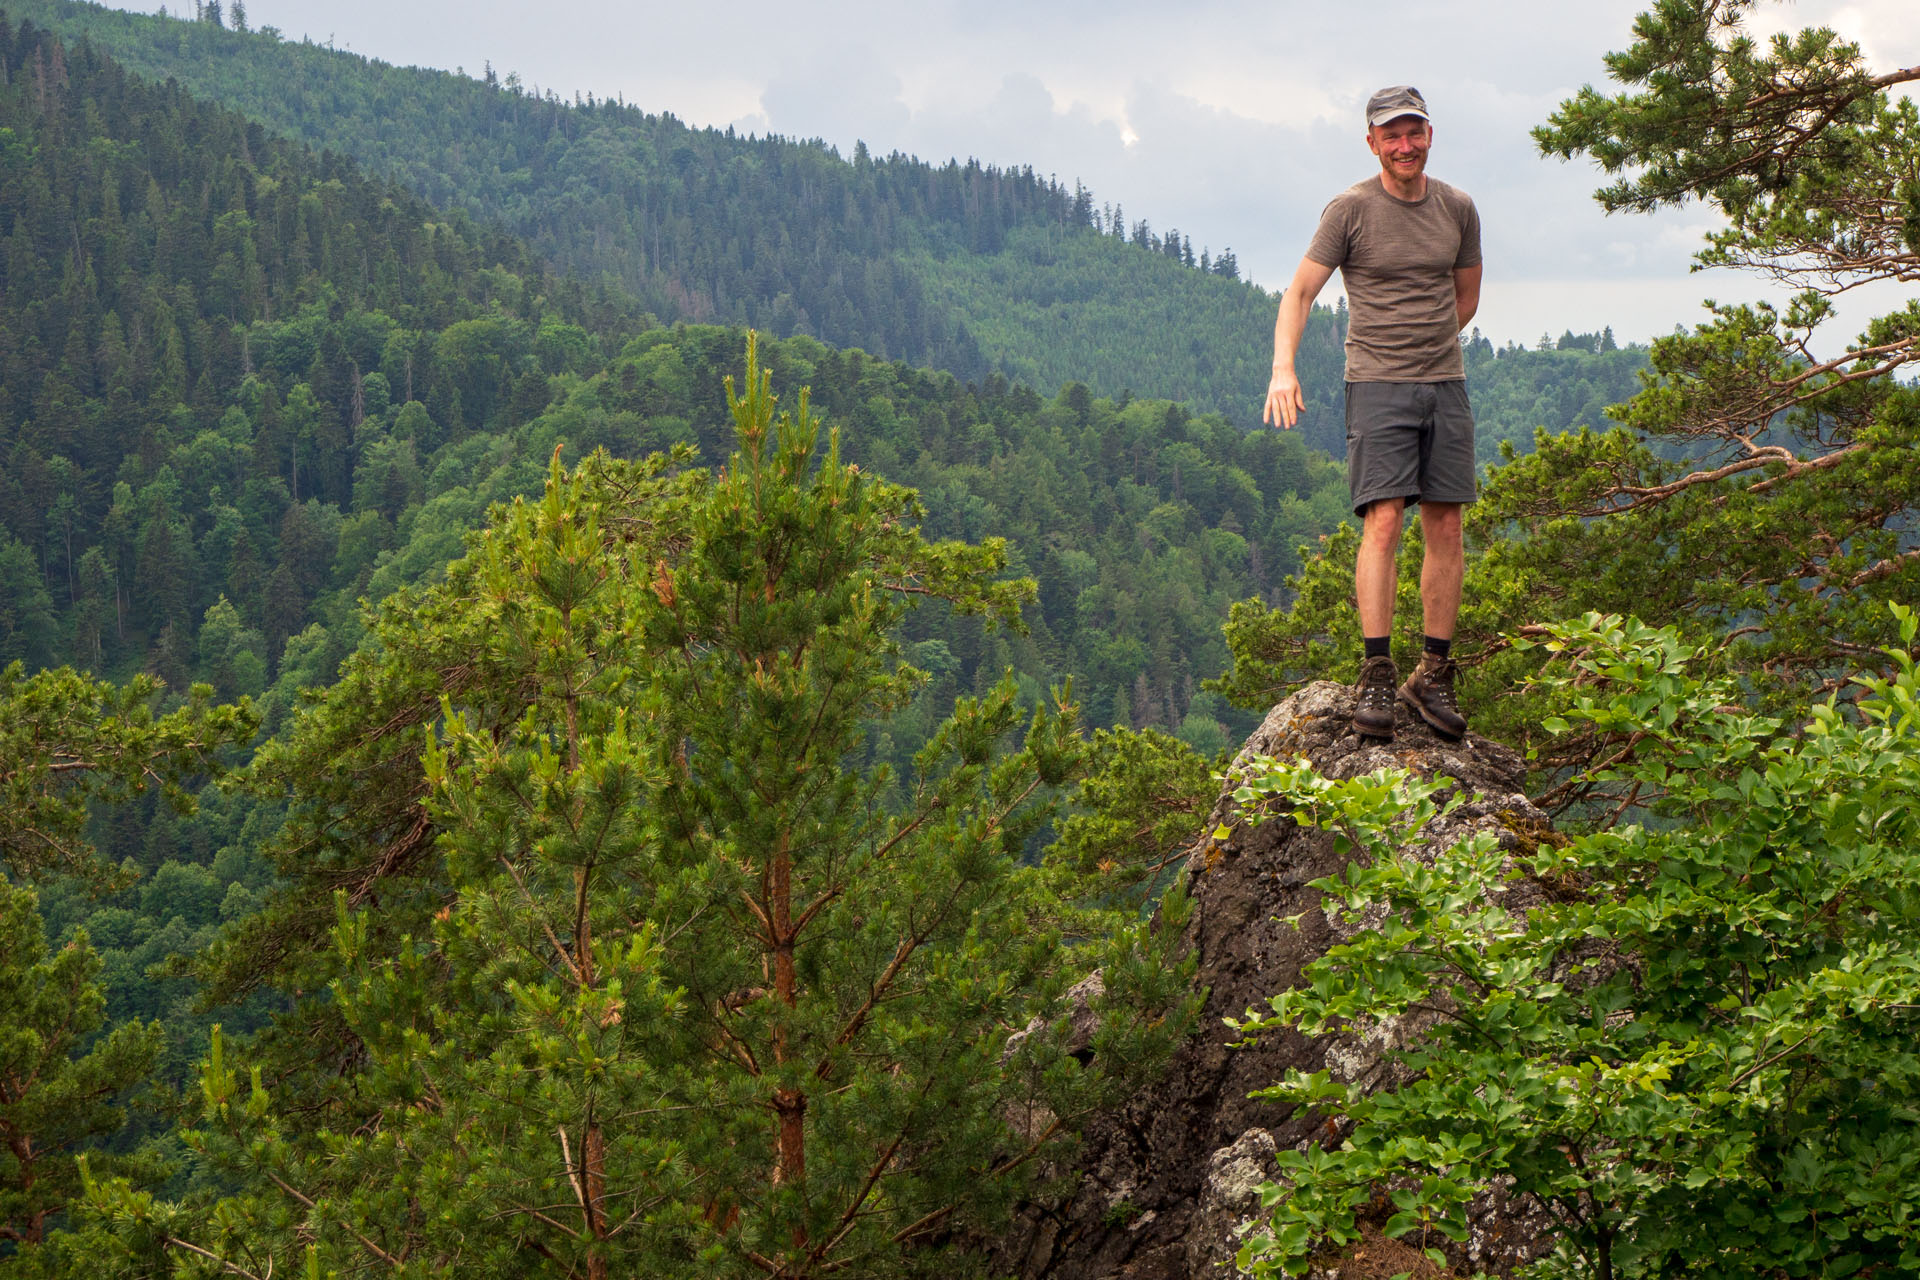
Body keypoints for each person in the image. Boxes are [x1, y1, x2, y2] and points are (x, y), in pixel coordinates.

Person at [1262, 84, 1481, 741]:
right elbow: (1300, 292)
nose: (1404, 145)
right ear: (1372, 142)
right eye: (1391, 135)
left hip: (1445, 383)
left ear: (1429, 134)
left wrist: (1430, 344)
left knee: (1445, 523)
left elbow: (1464, 298)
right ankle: (1378, 672)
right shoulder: (1350, 210)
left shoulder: (1459, 209)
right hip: (1377, 386)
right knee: (1383, 520)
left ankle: (1431, 675)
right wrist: (1283, 368)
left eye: (1413, 131)